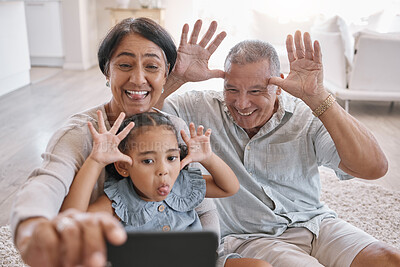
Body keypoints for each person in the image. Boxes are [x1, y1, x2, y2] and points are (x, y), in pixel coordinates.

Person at [159, 27, 400, 266]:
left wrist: (319, 97)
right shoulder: (197, 108)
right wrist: (176, 79)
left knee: (390, 259)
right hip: (252, 237)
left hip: (315, 223)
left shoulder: (306, 115)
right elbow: (131, 118)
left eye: (256, 91)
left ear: (279, 86)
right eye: (232, 89)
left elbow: (374, 168)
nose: (242, 103)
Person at [10, 17, 228, 267]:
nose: (137, 78)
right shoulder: (79, 134)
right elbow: (46, 184)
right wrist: (31, 224)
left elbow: (202, 207)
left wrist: (209, 256)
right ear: (107, 71)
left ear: (166, 72)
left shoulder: (173, 128)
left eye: (152, 67)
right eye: (124, 65)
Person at [59, 111, 271, 267]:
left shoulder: (184, 184)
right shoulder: (118, 200)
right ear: (124, 166)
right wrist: (95, 161)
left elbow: (229, 188)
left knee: (261, 266)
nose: (164, 171)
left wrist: (208, 158)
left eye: (171, 158)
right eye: (148, 161)